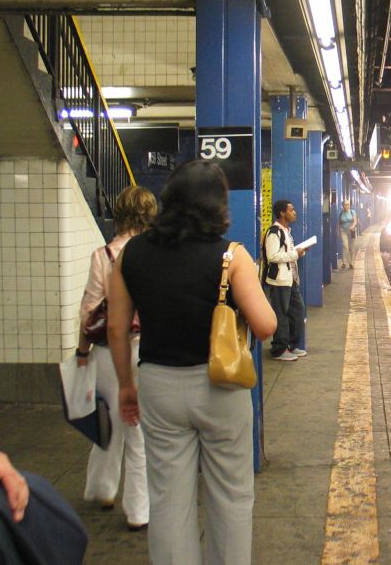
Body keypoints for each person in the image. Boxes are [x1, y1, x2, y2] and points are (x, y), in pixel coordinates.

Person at [106, 160, 277, 565]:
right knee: (231, 496)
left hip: (159, 385)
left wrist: (126, 387)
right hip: (220, 385)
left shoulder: (130, 254)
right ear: (218, 204)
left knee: (167, 498)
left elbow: (116, 329)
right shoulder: (230, 257)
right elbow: (267, 325)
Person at [76, 185, 156, 532]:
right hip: (144, 349)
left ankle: (102, 490)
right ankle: (138, 510)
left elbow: (88, 311)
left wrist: (82, 352)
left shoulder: (102, 256)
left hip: (108, 351)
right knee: (137, 430)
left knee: (107, 422)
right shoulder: (152, 253)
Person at [263, 199, 307, 361]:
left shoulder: (286, 231)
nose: (294, 212)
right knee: (281, 315)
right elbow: (272, 256)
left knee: (298, 311)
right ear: (282, 213)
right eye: (291, 210)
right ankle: (279, 350)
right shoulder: (274, 232)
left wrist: (299, 252)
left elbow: (287, 253)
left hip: (290, 280)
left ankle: (291, 345)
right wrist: (295, 254)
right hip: (280, 281)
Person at [338, 199, 358, 269]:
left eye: (348, 205)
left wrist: (352, 226)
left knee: (351, 248)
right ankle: (344, 262)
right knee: (345, 246)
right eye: (345, 205)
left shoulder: (353, 212)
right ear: (343, 205)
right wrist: (337, 231)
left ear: (349, 205)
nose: (346, 206)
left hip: (352, 231)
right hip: (343, 231)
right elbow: (339, 223)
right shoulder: (341, 213)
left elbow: (355, 221)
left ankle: (351, 263)